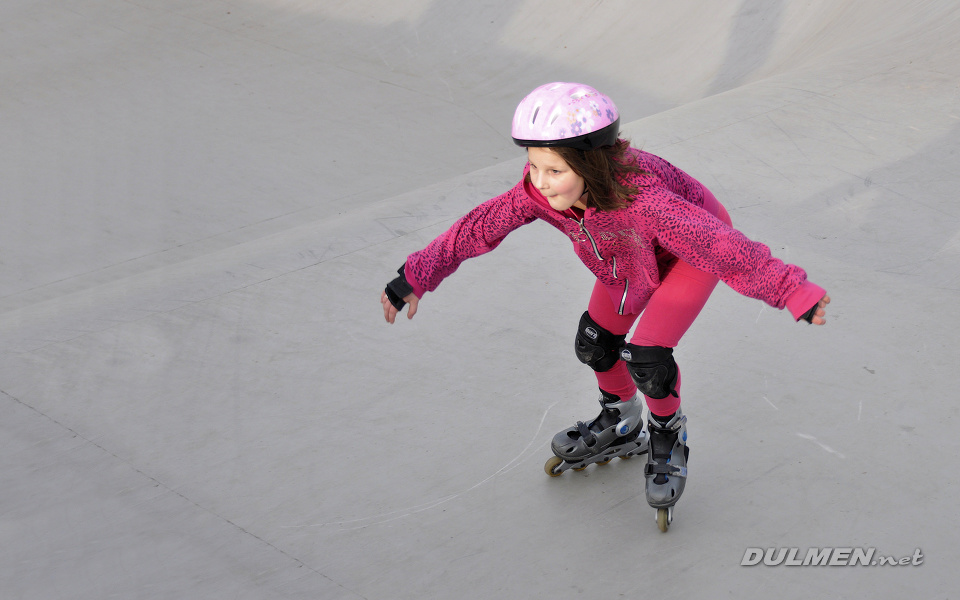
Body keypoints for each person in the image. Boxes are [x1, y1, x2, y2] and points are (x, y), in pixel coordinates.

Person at [380, 82, 830, 530]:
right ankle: (622, 421)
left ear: (589, 163)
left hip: (694, 251)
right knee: (595, 343)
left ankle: (667, 433)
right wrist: (417, 275)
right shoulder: (536, 194)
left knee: (648, 358)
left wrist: (791, 290)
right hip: (630, 255)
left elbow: (721, 247)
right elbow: (478, 227)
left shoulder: (644, 198)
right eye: (534, 165)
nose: (539, 181)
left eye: (554, 170)